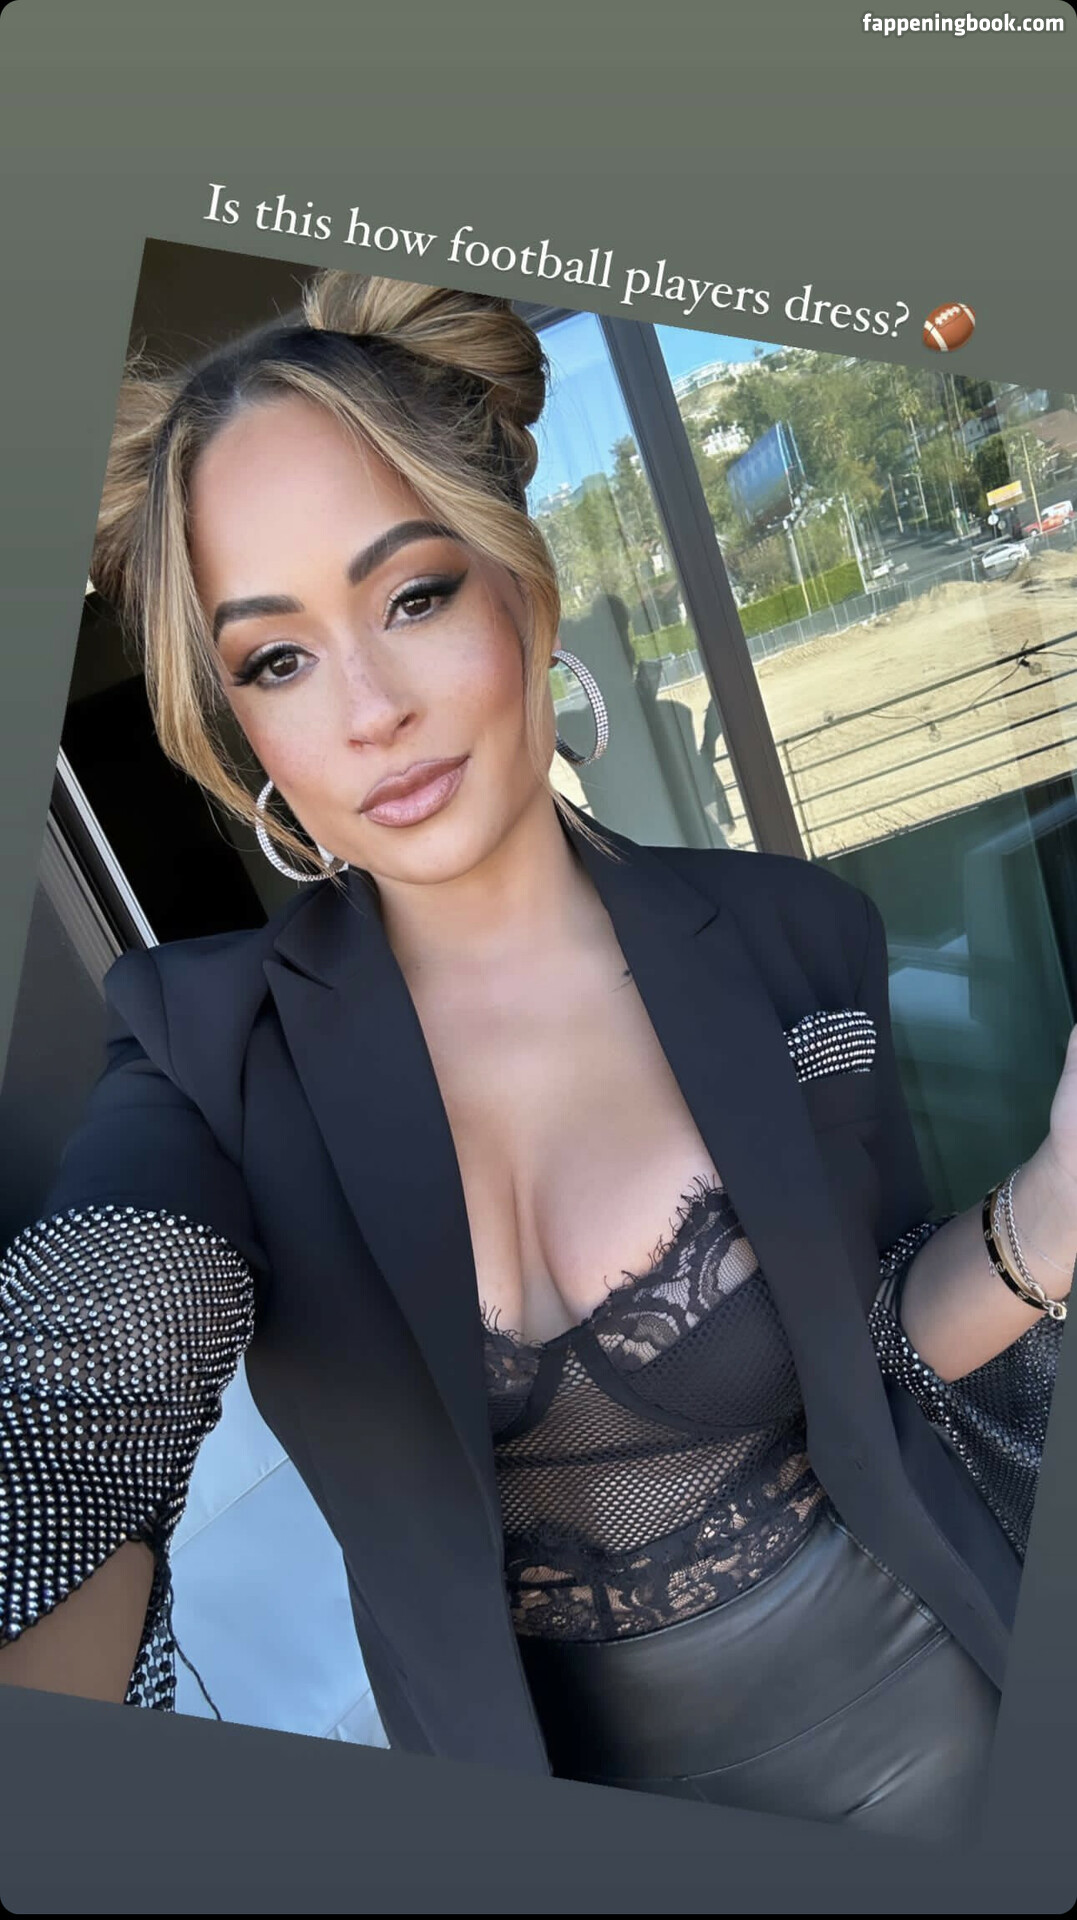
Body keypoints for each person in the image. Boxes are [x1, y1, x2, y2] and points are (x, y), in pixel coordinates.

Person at [1, 271, 1074, 1840]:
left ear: (521, 587)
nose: (368, 709)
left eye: (412, 596)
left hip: (941, 1713)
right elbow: (77, 1390)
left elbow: (879, 1344)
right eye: (277, 659)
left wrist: (1052, 1203)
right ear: (242, 728)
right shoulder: (205, 1048)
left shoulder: (789, 936)